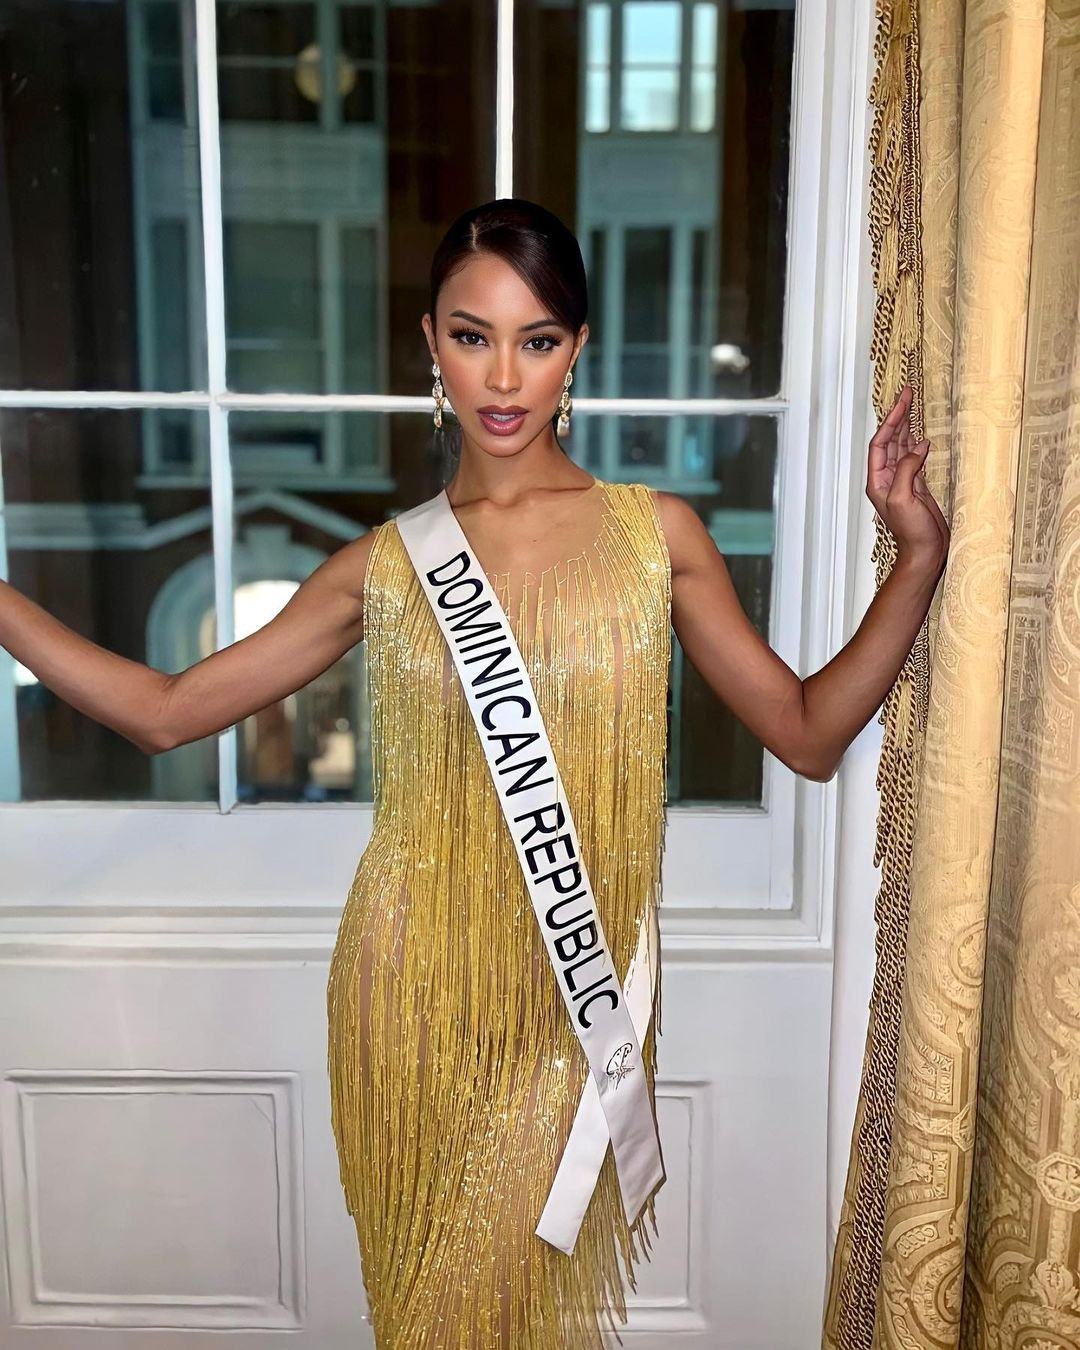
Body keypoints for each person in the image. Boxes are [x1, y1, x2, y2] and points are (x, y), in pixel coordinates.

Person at [0, 198, 949, 1349]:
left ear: (577, 349)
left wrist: (918, 554)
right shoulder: (386, 565)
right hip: (409, 994)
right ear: (431, 344)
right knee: (431, 1320)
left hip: (570, 997)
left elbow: (805, 733)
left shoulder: (657, 535)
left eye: (536, 340)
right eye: (472, 336)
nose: (503, 377)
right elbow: (164, 714)